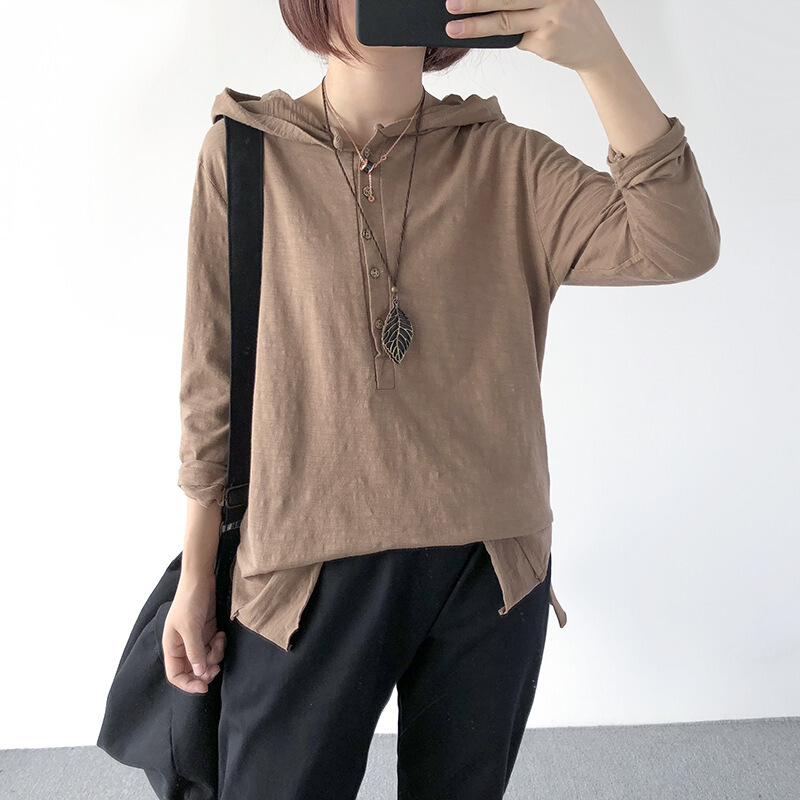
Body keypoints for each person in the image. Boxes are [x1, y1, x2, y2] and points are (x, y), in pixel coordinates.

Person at [162, 0, 721, 798]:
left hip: (488, 565)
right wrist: (197, 574)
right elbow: (210, 380)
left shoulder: (508, 162)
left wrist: (600, 57)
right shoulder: (245, 154)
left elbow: (678, 242)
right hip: (300, 568)